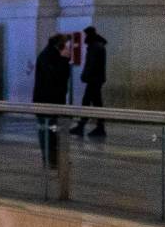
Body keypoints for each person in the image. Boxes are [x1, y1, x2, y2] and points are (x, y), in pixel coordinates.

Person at [33, 34, 72, 167]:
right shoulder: (49, 56)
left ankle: (53, 159)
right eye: (65, 44)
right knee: (48, 131)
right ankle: (50, 160)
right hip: (47, 102)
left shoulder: (49, 54)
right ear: (60, 45)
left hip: (50, 102)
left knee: (52, 130)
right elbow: (57, 77)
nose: (67, 47)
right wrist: (65, 60)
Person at [70, 27, 108, 138]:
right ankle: (98, 127)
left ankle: (82, 126)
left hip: (93, 80)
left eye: (86, 35)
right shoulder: (98, 46)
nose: (85, 37)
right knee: (96, 103)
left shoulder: (94, 47)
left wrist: (84, 75)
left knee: (87, 102)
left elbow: (90, 64)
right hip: (97, 79)